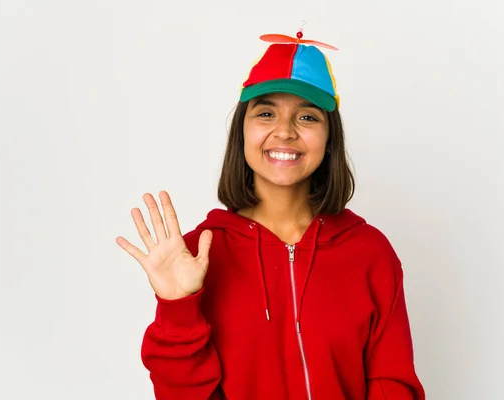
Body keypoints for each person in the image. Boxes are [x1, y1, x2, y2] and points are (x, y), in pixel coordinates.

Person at [116, 30, 425, 400]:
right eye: (266, 113)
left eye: (307, 117)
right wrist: (176, 308)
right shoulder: (199, 252)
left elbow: (393, 383)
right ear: (241, 131)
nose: (284, 131)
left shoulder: (370, 252)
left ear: (329, 140)